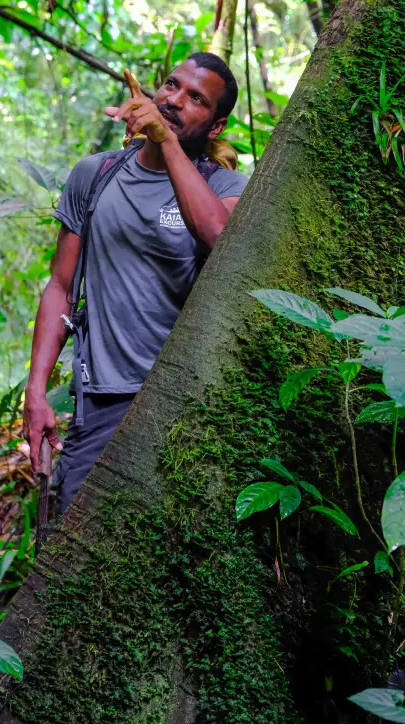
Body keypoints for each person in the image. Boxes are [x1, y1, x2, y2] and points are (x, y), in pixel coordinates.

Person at [22, 52, 248, 511]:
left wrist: (165, 141)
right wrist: (36, 390)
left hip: (182, 400)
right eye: (171, 85)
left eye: (196, 99)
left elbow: (216, 235)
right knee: (73, 539)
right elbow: (60, 287)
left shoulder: (227, 188)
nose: (174, 100)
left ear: (216, 126)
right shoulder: (96, 175)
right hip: (100, 397)